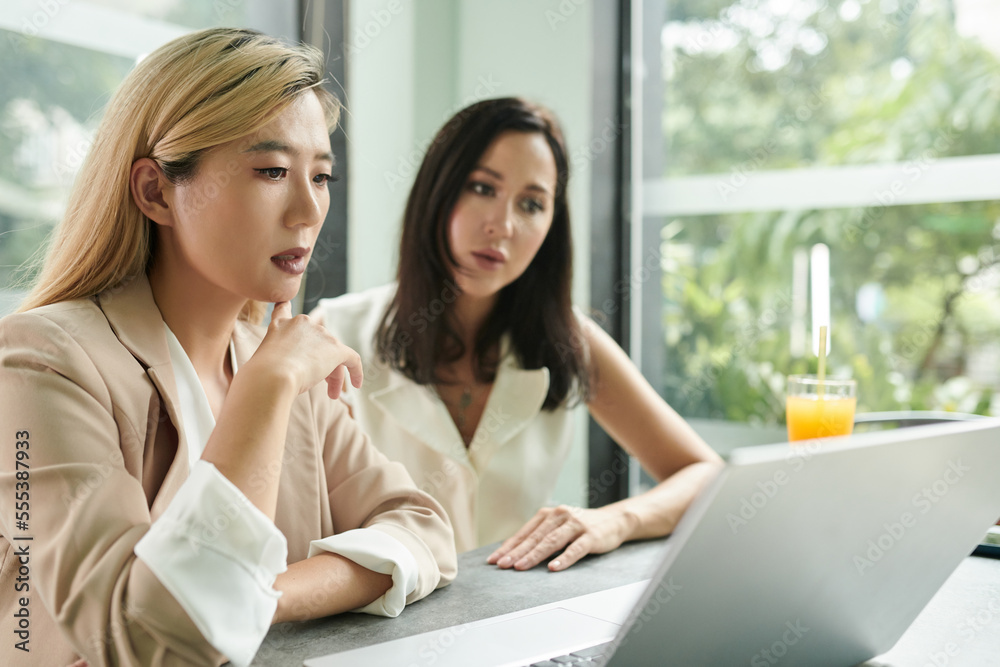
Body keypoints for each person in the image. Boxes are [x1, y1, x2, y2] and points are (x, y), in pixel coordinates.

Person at [0, 28, 455, 667]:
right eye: (271, 171)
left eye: (320, 176)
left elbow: (422, 528)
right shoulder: (41, 365)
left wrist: (260, 594)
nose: (308, 210)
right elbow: (150, 642)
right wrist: (266, 389)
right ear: (156, 191)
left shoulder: (276, 358)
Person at [313, 97, 723, 572]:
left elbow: (706, 473)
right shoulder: (335, 334)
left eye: (531, 203)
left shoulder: (569, 340)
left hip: (514, 617)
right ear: (437, 191)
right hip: (377, 621)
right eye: (482, 187)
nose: (502, 226)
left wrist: (616, 520)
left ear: (552, 223)